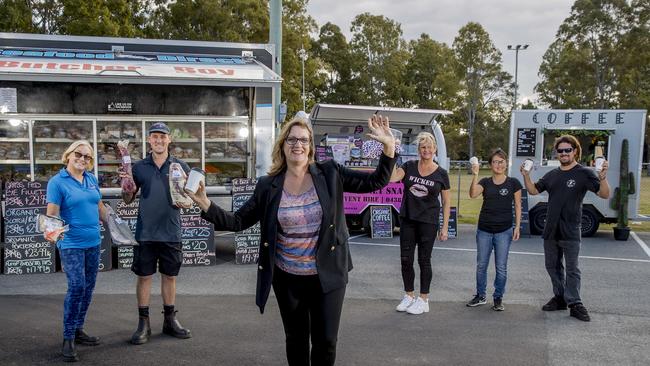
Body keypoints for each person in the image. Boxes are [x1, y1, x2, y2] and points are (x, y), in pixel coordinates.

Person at [185, 115, 397, 366]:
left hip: (328, 275)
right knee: (296, 340)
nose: (298, 144)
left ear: (310, 146)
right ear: (283, 145)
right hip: (288, 279)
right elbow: (238, 221)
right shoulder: (268, 185)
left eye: (304, 140)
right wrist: (205, 204)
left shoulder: (330, 172)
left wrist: (388, 147)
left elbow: (376, 181)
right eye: (292, 139)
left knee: (326, 342)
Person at [521, 135, 609, 322]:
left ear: (575, 151)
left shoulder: (584, 173)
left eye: (567, 150)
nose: (563, 153)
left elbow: (604, 194)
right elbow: (534, 190)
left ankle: (575, 303)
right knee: (552, 267)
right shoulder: (552, 175)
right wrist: (526, 176)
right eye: (560, 150)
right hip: (551, 229)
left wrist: (602, 178)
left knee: (572, 269)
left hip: (571, 229)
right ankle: (560, 297)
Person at [120, 122, 192, 344]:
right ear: (149, 141)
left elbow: (190, 198)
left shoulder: (181, 166)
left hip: (171, 231)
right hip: (146, 232)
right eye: (154, 137)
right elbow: (127, 199)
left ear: (169, 139)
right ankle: (144, 323)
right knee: (144, 277)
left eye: (163, 136)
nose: (159, 140)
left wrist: (188, 200)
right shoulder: (139, 167)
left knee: (170, 276)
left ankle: (170, 320)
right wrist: (127, 186)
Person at [46, 140, 109, 362]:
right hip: (71, 244)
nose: (83, 159)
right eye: (79, 154)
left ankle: (78, 328)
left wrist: (118, 225)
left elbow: (99, 207)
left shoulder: (91, 179)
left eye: (87, 157)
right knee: (77, 287)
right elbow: (52, 214)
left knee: (88, 287)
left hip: (93, 242)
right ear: (69, 155)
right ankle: (68, 336)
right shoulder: (57, 182)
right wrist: (54, 236)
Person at [390, 132, 450, 315]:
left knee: (424, 260)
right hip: (408, 219)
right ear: (418, 150)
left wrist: (445, 227)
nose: (426, 150)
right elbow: (392, 178)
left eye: (429, 147)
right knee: (406, 259)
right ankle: (409, 295)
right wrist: (392, 154)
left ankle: (424, 299)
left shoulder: (441, 173)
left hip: (428, 222)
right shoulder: (409, 166)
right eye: (423, 147)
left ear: (435, 149)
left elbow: (447, 202)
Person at [466, 149, 522, 311]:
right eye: (495, 162)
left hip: (504, 231)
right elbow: (472, 194)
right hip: (484, 230)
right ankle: (481, 296)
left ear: (506, 163)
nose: (498, 165)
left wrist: (517, 226)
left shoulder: (513, 183)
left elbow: (518, 206)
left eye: (501, 161)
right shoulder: (485, 182)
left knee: (501, 266)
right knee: (481, 265)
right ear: (490, 164)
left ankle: (498, 298)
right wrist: (475, 174)